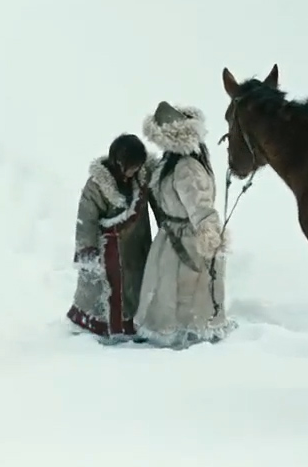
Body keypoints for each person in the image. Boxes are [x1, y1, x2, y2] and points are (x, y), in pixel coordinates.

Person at [134, 100, 232, 348]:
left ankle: (186, 334)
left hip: (187, 241)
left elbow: (201, 206)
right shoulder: (173, 163)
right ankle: (174, 330)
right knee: (170, 289)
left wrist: (209, 235)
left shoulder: (187, 168)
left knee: (184, 292)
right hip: (173, 237)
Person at [66, 133, 157, 345]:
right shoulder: (97, 185)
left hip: (137, 245)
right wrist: (87, 249)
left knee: (137, 286)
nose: (134, 172)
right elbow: (86, 218)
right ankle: (101, 325)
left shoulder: (141, 178)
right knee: (106, 290)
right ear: (119, 163)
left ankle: (133, 323)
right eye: (131, 167)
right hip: (110, 251)